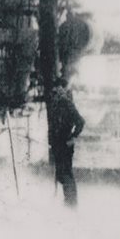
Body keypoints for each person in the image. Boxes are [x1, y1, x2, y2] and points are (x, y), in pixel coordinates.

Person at [50, 78, 85, 207]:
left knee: (66, 173)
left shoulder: (67, 104)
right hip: (58, 144)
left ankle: (71, 203)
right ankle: (68, 201)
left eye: (60, 88)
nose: (57, 91)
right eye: (56, 88)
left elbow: (80, 122)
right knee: (61, 173)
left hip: (65, 143)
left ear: (64, 90)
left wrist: (73, 137)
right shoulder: (56, 104)